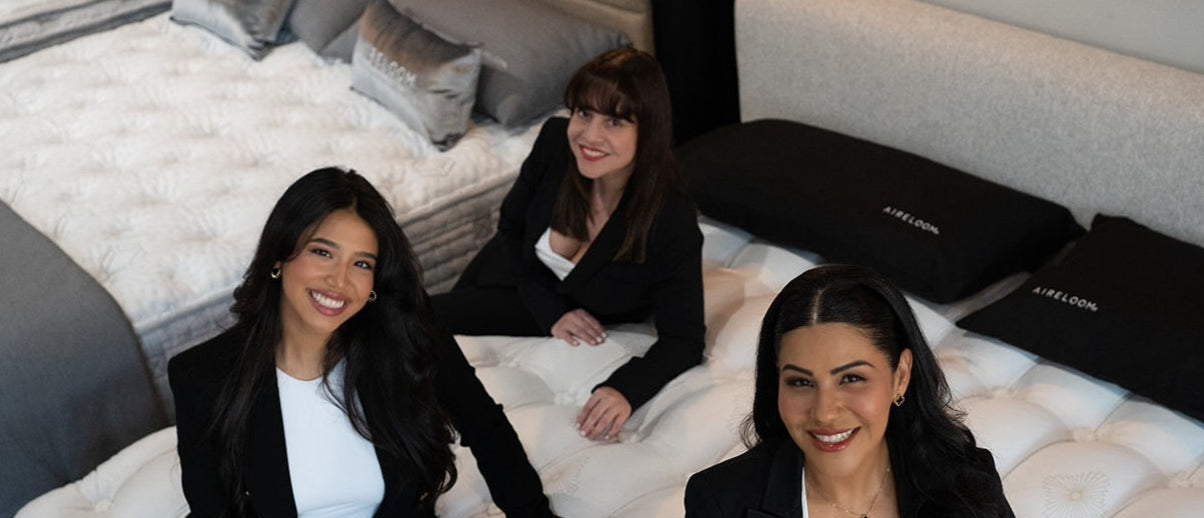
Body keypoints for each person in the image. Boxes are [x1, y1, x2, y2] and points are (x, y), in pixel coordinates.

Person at [168, 168, 556, 517]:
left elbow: (488, 432)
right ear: (278, 257)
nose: (339, 281)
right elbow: (212, 509)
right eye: (323, 252)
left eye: (361, 263)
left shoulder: (410, 339)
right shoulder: (203, 376)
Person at [430, 47, 705, 442]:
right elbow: (509, 227)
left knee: (417, 315)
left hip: (527, 307)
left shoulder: (669, 220)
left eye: (614, 121)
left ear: (649, 130)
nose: (590, 135)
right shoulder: (555, 143)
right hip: (509, 273)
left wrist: (624, 389)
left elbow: (685, 338)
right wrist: (552, 311)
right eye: (584, 113)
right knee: (410, 313)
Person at [684, 265, 1014, 518]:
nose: (825, 412)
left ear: (900, 376)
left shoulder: (968, 481)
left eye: (851, 379)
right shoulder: (720, 501)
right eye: (801, 382)